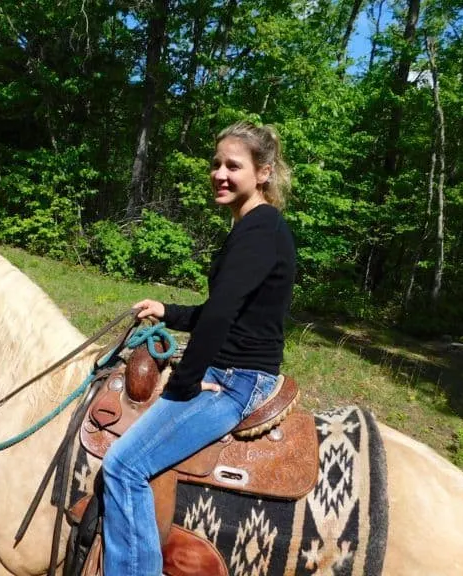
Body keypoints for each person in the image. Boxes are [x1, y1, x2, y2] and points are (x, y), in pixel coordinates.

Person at [101, 121, 296, 575]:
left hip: (237, 382)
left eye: (234, 166)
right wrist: (166, 310)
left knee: (123, 467)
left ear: (262, 172)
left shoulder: (260, 229)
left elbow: (223, 314)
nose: (220, 174)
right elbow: (223, 310)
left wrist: (183, 386)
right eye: (216, 164)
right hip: (237, 370)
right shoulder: (254, 227)